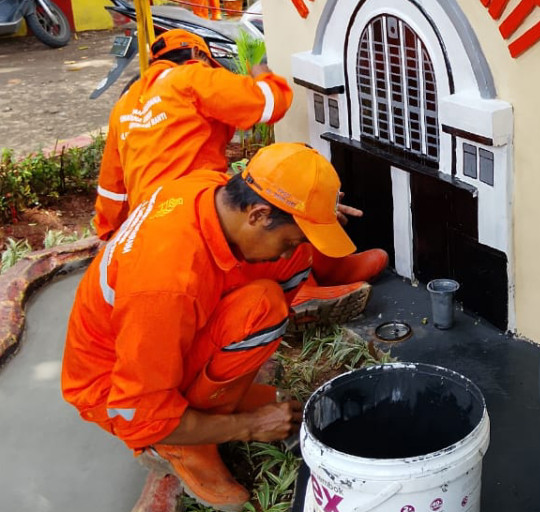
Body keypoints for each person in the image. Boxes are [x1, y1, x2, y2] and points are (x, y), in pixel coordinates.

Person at [62, 143, 357, 510]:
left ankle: (215, 397)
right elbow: (138, 416)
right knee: (262, 308)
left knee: (296, 256)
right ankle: (183, 443)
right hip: (115, 392)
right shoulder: (165, 284)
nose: (287, 250)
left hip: (158, 333)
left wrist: (313, 219)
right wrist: (250, 425)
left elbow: (283, 234)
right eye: (286, 239)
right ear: (258, 214)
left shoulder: (212, 191)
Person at [94, 29, 388, 328]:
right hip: (197, 206)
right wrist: (263, 74)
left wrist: (112, 235)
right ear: (197, 55)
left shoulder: (126, 103)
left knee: (271, 204)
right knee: (280, 208)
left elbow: (112, 188)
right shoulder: (192, 76)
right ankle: (302, 288)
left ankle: (329, 269)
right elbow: (269, 103)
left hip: (155, 219)